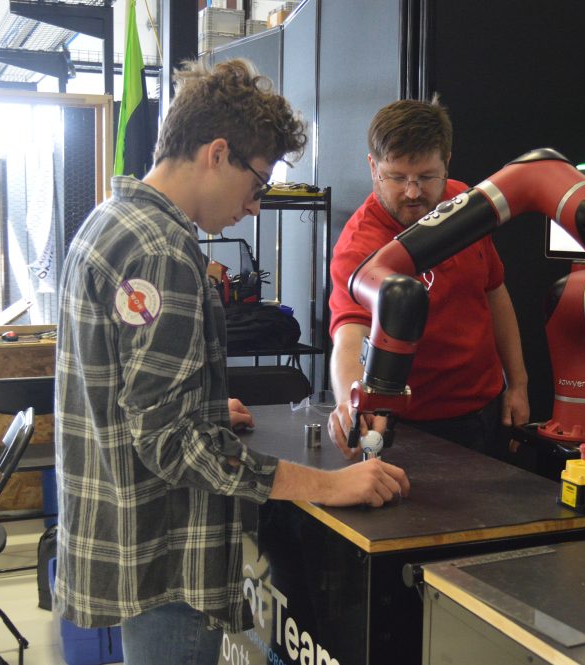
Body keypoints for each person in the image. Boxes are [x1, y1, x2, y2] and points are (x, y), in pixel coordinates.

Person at [52, 59, 409, 665]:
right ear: (217, 154)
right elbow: (171, 443)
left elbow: (119, 388)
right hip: (164, 559)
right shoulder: (163, 251)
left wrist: (200, 405)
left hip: (129, 541)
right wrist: (327, 486)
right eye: (258, 182)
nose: (255, 206)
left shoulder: (112, 221)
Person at [327, 96, 530, 460]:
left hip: (485, 411)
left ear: (447, 163)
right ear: (373, 166)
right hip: (411, 427)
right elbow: (349, 334)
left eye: (425, 177)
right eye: (397, 177)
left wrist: (518, 385)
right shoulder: (359, 248)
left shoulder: (466, 210)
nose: (413, 192)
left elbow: (495, 292)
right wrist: (350, 402)